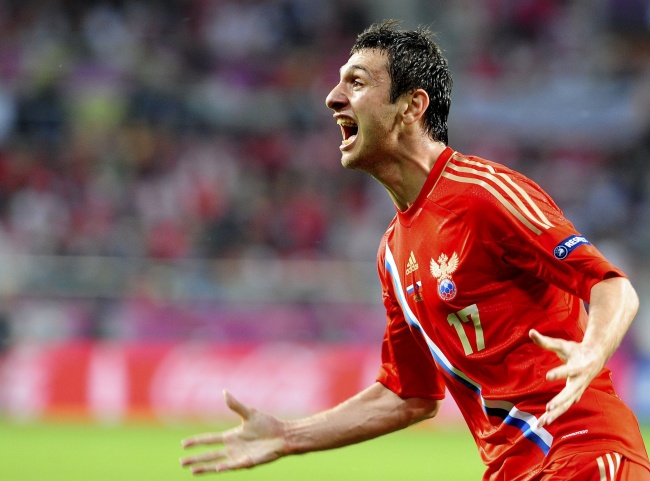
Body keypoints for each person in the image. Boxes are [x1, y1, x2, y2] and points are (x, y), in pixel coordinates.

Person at [180, 20, 650, 480]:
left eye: (356, 82)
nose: (333, 97)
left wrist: (592, 350)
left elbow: (612, 285)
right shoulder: (392, 251)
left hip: (583, 452)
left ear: (411, 106)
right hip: (515, 469)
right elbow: (409, 395)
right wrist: (289, 436)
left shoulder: (483, 195)